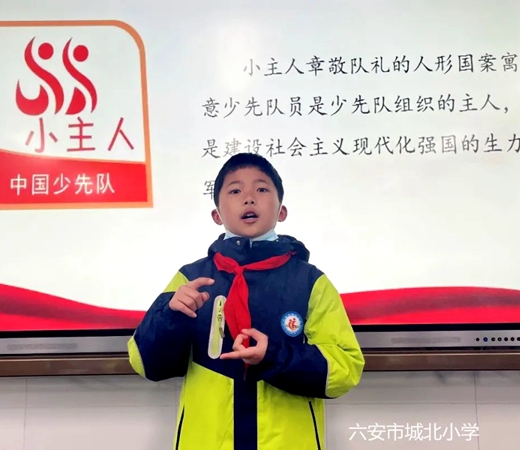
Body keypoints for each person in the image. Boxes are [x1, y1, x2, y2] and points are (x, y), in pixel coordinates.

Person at [128, 153, 364, 450]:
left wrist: (274, 357)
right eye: (235, 191)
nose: (249, 198)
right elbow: (146, 364)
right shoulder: (190, 279)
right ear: (217, 215)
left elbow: (345, 369)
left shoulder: (310, 282)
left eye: (262, 189)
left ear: (281, 211)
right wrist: (170, 317)